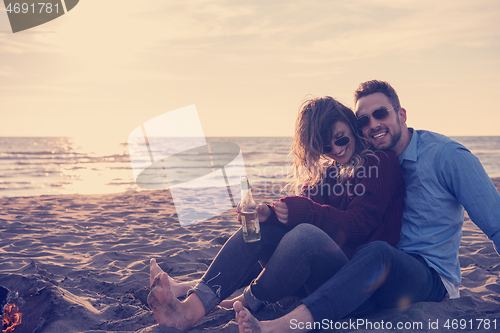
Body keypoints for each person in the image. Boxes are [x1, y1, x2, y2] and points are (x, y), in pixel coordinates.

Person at [234, 80, 500, 333]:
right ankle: (212, 295)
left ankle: (284, 326)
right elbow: (313, 201)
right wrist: (271, 211)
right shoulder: (367, 164)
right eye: (364, 120)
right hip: (369, 274)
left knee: (377, 253)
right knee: (285, 236)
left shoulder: (447, 156)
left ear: (402, 114)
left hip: (427, 275)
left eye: (381, 113)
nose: (374, 124)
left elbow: (496, 222)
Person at [147, 96, 405, 331]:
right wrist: (268, 214)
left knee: (305, 235)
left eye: (341, 139)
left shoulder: (379, 163)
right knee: (261, 231)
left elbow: (358, 225)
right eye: (325, 147)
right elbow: (304, 207)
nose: (336, 150)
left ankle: (240, 300)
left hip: (356, 287)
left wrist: (304, 211)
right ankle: (189, 310)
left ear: (352, 127)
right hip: (317, 280)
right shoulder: (329, 171)